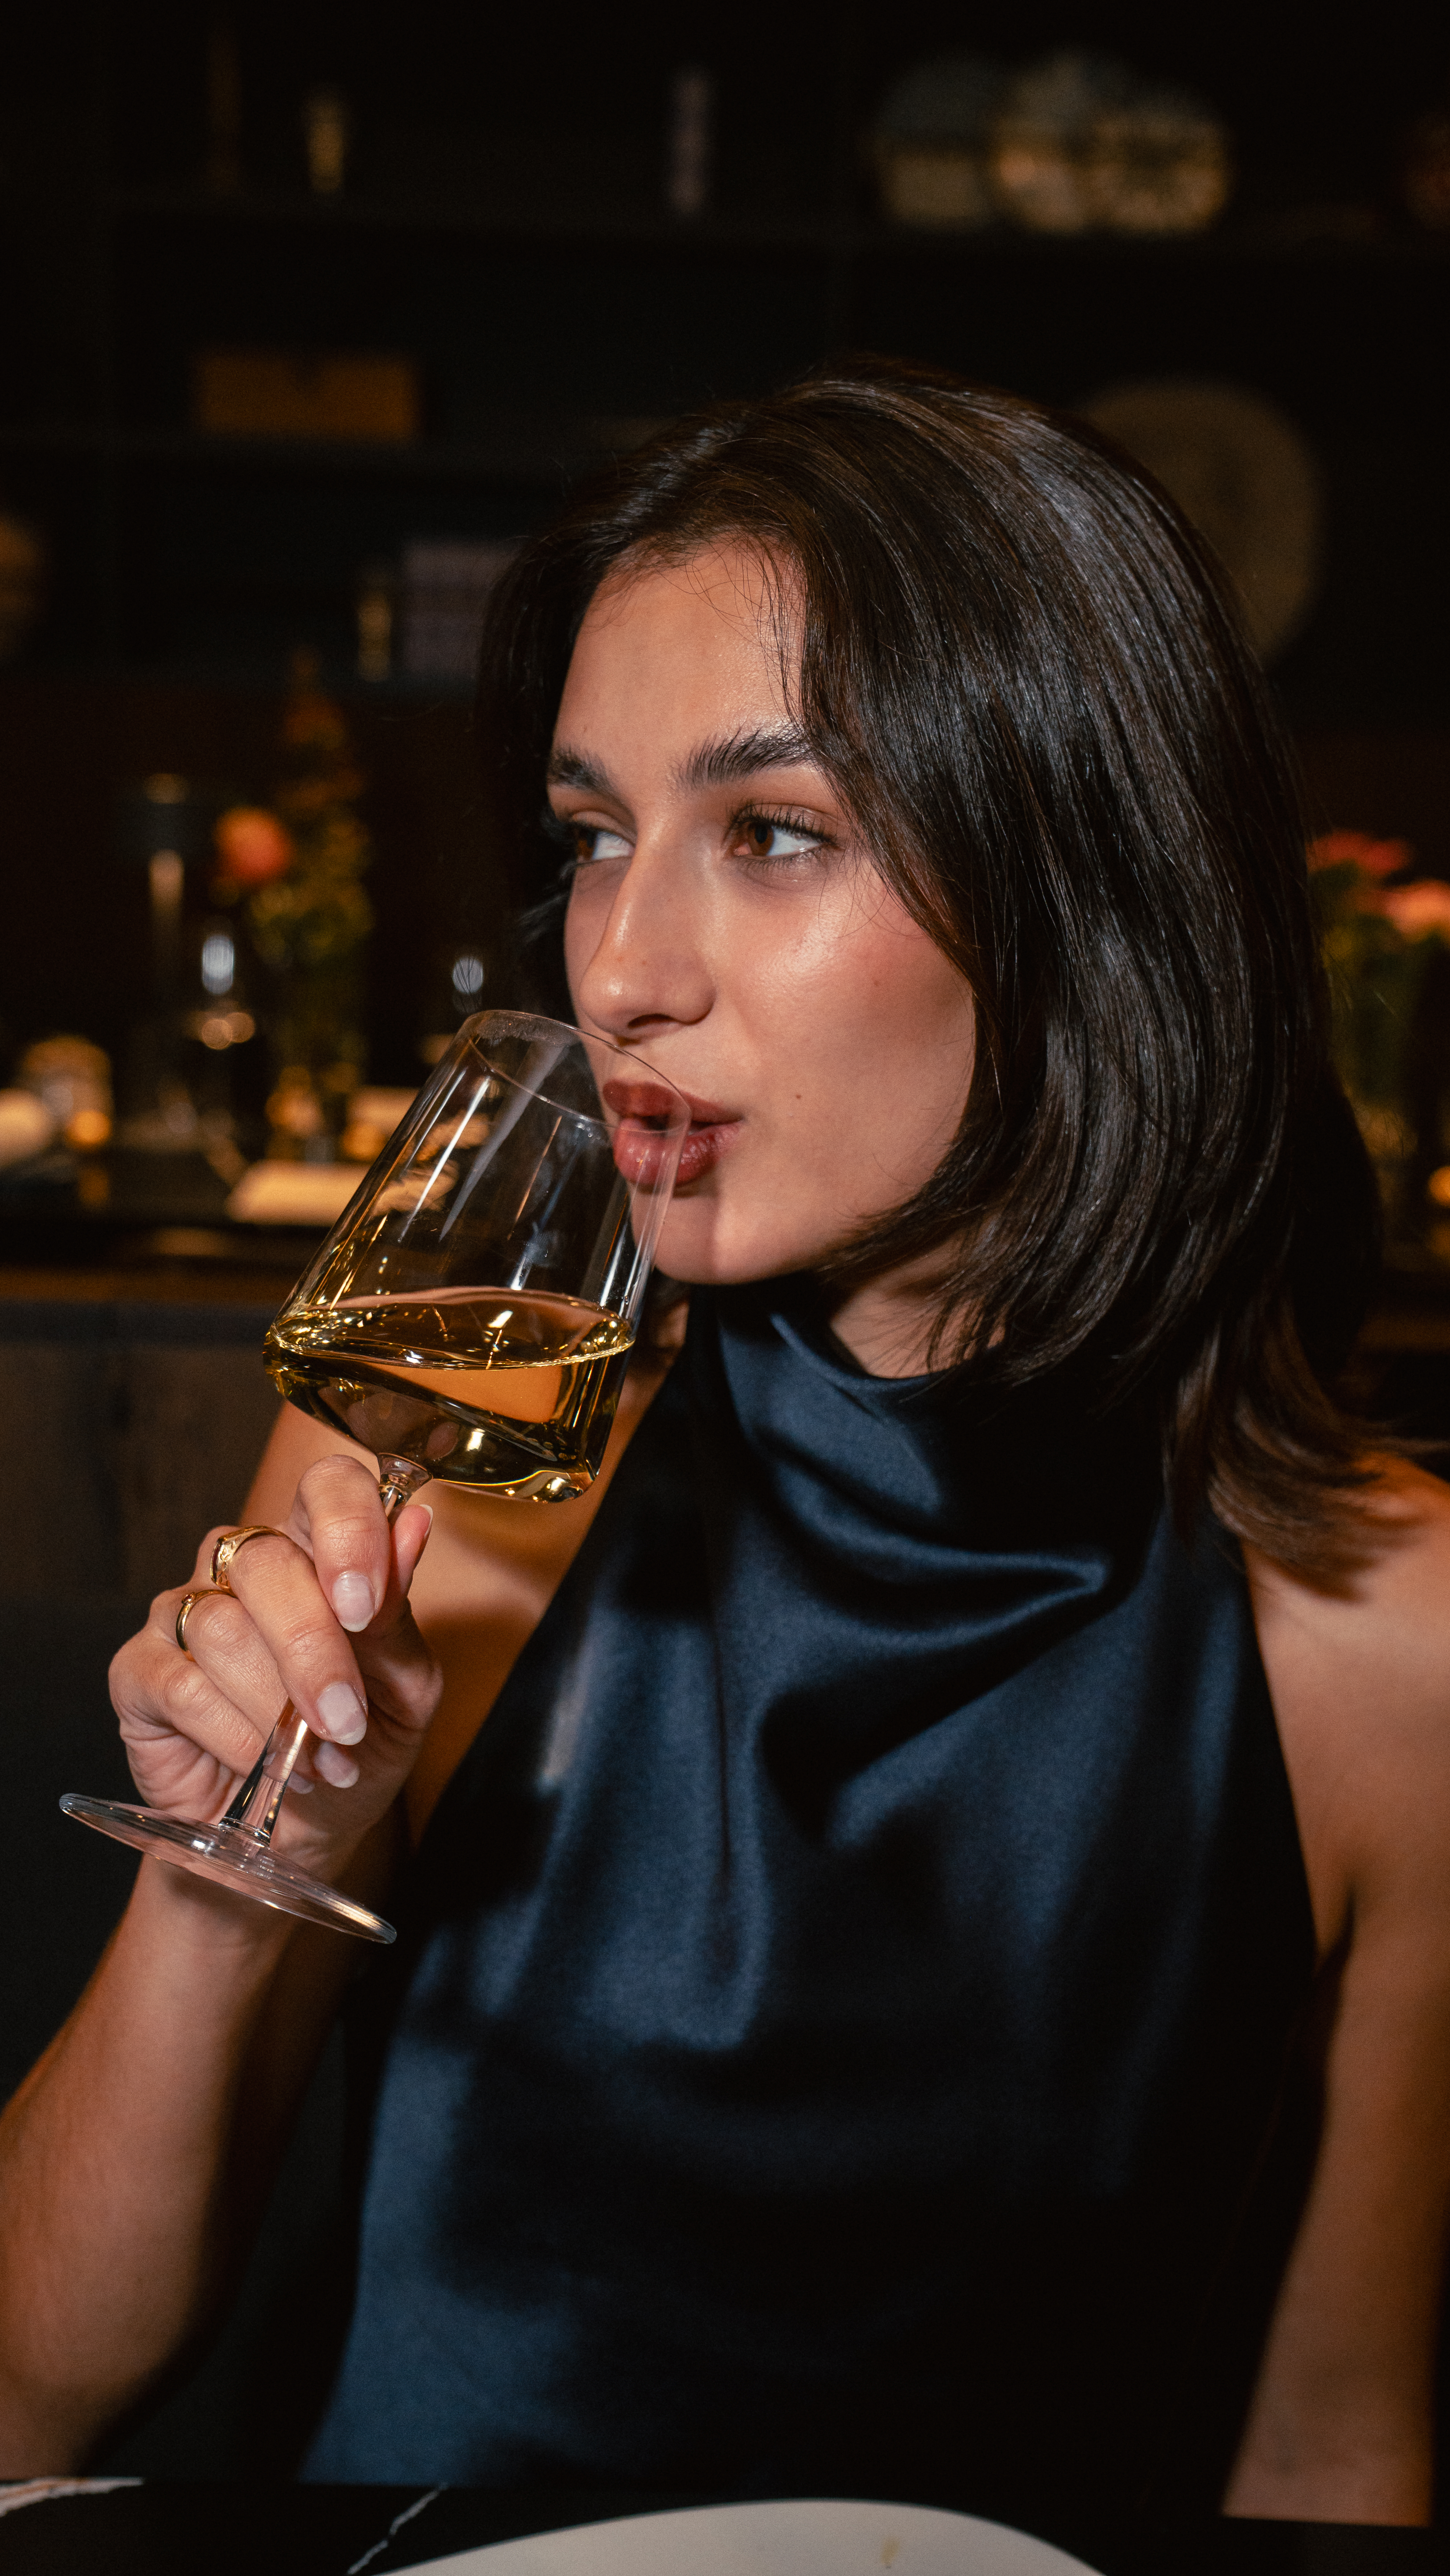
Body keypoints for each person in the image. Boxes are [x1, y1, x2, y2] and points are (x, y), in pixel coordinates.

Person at [2, 361, 1449, 2565]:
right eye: (593, 838)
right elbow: (37, 2383)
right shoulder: (463, 1458)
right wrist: (228, 1881)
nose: (622, 968)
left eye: (772, 835)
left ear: (1083, 884)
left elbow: (1333, 2477)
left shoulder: (1388, 1641)